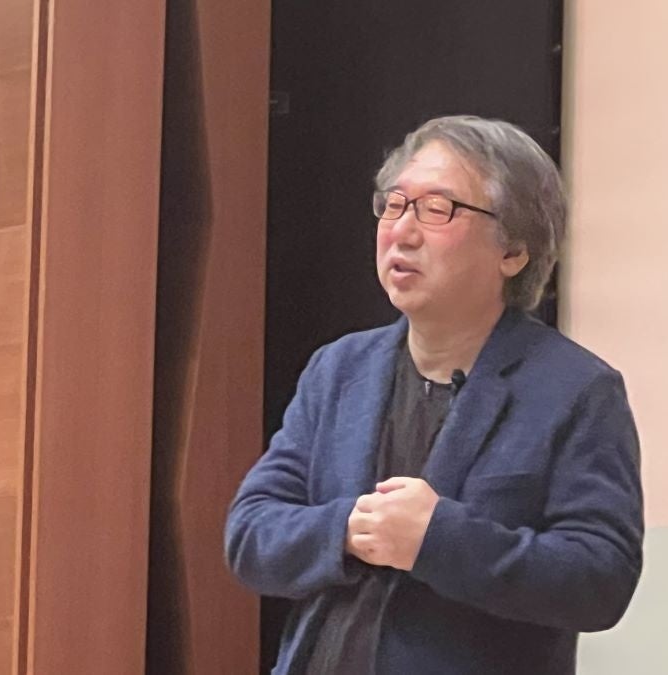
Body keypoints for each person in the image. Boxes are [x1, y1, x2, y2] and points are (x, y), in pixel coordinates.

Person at [225, 115, 643, 675]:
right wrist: (348, 529)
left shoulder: (576, 390)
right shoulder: (339, 370)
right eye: (394, 205)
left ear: (513, 251)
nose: (402, 231)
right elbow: (251, 533)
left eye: (437, 209)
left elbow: (600, 579)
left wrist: (436, 539)